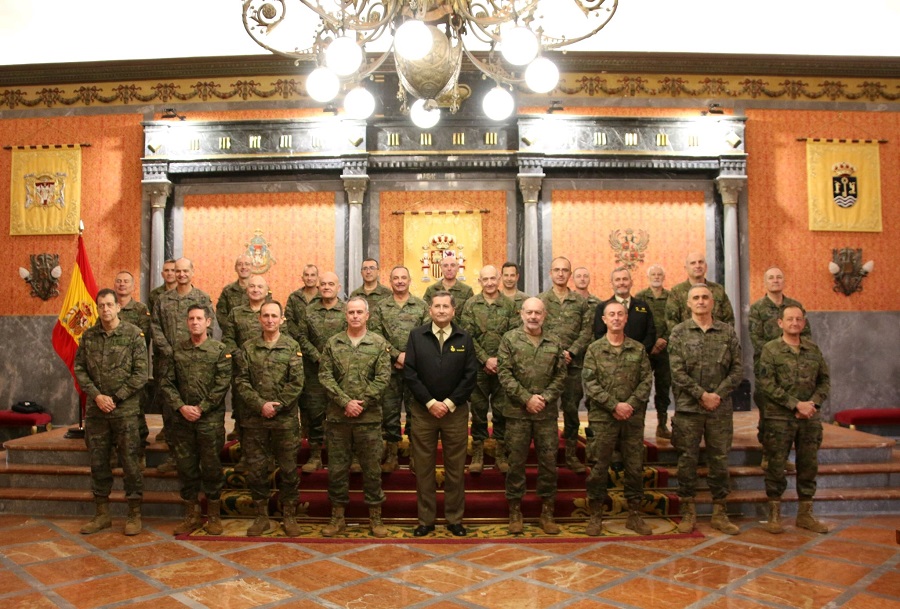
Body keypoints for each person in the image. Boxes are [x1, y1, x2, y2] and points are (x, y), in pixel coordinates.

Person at [668, 284, 743, 535]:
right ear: (688, 303)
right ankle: (688, 511)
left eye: (705, 297)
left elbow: (737, 370)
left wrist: (716, 395)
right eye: (696, 298)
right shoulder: (678, 333)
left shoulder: (727, 332)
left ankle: (720, 512)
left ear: (713, 302)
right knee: (687, 459)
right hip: (689, 409)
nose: (701, 301)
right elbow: (676, 372)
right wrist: (701, 395)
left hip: (719, 409)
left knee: (719, 460)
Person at [74, 289, 149, 536]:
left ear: (118, 307)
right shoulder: (89, 336)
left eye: (109, 305)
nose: (105, 310)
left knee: (130, 462)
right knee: (98, 462)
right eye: (101, 306)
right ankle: (102, 514)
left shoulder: (133, 335)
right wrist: (97, 396)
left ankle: (134, 514)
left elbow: (140, 374)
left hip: (124, 411)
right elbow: (80, 369)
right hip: (97, 411)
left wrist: (115, 398)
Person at [404, 292, 478, 537]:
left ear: (454, 311)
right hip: (423, 412)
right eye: (437, 306)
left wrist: (448, 403)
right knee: (423, 468)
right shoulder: (416, 336)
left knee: (455, 468)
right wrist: (429, 402)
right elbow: (410, 373)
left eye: (446, 306)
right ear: (430, 310)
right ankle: (426, 520)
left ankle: (455, 519)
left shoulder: (465, 338)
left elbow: (470, 376)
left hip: (454, 413)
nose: (442, 310)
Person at [318, 296, 392, 537]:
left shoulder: (379, 343)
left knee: (372, 469)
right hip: (338, 419)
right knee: (337, 469)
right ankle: (337, 517)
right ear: (345, 315)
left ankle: (375, 518)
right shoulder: (333, 343)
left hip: (368, 419)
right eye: (351, 312)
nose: (355, 316)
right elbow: (325, 376)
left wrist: (362, 403)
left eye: (360, 312)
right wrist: (345, 402)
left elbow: (383, 378)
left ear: (367, 315)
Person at [582, 301, 654, 536]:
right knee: (598, 467)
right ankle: (595, 516)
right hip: (603, 418)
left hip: (632, 418)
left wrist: (629, 405)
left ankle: (634, 515)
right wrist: (614, 405)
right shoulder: (594, 349)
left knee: (635, 466)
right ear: (604, 319)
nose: (615, 318)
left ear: (626, 319)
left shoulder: (638, 349)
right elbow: (590, 383)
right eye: (611, 314)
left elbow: (646, 380)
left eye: (620, 314)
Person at [757, 306, 830, 535]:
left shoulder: (813, 349)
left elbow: (824, 381)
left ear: (804, 323)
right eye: (790, 319)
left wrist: (812, 404)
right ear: (781, 323)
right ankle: (774, 514)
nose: (795, 323)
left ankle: (805, 514)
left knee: (808, 465)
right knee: (776, 466)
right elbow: (766, 384)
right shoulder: (770, 350)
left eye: (799, 319)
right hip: (779, 418)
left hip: (809, 418)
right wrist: (795, 404)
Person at [234, 301, 305, 536]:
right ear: (259, 319)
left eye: (275, 316)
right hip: (255, 420)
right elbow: (241, 381)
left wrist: (278, 405)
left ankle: (289, 515)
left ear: (282, 319)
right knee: (257, 469)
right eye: (266, 315)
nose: (270, 320)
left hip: (284, 422)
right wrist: (260, 405)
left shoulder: (291, 346)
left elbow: (296, 382)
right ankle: (261, 516)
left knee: (288, 470)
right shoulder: (248, 348)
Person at [497, 297, 567, 535]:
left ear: (544, 315)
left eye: (538, 313)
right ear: (521, 313)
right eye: (529, 312)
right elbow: (504, 374)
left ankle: (547, 513)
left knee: (548, 464)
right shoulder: (509, 339)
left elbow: (560, 376)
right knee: (515, 463)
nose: (533, 317)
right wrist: (527, 398)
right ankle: (515, 511)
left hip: (545, 415)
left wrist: (544, 398)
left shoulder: (555, 341)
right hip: (517, 413)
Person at [161, 304, 231, 536]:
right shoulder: (176, 350)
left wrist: (201, 408)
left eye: (199, 318)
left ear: (208, 322)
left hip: (208, 421)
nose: (195, 322)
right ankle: (191, 516)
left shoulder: (219, 351)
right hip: (182, 421)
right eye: (191, 319)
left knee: (211, 467)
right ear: (186, 322)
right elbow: (167, 383)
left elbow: (222, 384)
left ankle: (213, 515)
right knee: (186, 468)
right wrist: (181, 407)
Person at [150, 257, 214, 473]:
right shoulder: (162, 299)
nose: (181, 274)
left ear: (192, 272)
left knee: (196, 409)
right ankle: (173, 456)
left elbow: (210, 329)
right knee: (171, 411)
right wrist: (169, 350)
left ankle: (195, 458)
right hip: (168, 363)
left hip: (196, 364)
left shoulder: (202, 298)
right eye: (177, 271)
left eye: (185, 270)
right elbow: (155, 327)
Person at [749, 266, 811, 470]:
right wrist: (778, 355)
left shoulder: (795, 306)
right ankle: (768, 454)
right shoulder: (757, 308)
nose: (775, 280)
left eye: (779, 277)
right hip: (768, 369)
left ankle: (784, 456)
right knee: (769, 413)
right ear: (765, 283)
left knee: (789, 412)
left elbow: (806, 335)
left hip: (794, 370)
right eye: (771, 278)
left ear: (784, 281)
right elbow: (756, 339)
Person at [369, 265, 429, 472]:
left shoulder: (421, 306)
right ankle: (392, 453)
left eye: (404, 277)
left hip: (416, 369)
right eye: (396, 278)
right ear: (390, 281)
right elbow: (377, 337)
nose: (400, 281)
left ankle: (415, 454)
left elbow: (427, 336)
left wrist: (408, 358)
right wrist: (396, 355)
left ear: (410, 280)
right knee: (389, 411)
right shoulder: (380, 307)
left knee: (416, 411)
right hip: (389, 369)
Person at [460, 265, 519, 473]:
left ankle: (501, 452)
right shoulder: (470, 305)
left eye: (493, 278)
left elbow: (513, 336)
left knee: (502, 410)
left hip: (503, 368)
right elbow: (468, 337)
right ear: (480, 281)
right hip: (478, 367)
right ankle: (478, 452)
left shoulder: (510, 306)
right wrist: (486, 360)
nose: (490, 283)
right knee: (478, 410)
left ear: (499, 278)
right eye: (485, 279)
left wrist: (498, 361)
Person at [538, 256, 593, 473]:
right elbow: (535, 328)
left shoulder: (581, 302)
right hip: (546, 366)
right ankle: (548, 454)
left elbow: (586, 331)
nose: (560, 273)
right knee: (548, 410)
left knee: (571, 409)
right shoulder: (541, 300)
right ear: (550, 273)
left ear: (569, 274)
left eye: (564, 270)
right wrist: (556, 353)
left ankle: (571, 454)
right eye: (556, 270)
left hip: (574, 365)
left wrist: (571, 352)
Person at [297, 271, 346, 473]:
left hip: (342, 370)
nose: (326, 287)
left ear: (338, 287)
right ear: (318, 287)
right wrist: (317, 356)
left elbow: (352, 333)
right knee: (315, 412)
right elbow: (301, 336)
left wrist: (334, 359)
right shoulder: (309, 311)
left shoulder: (346, 310)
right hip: (314, 370)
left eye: (330, 284)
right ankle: (316, 454)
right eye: (323, 284)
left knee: (341, 412)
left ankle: (344, 455)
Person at [221, 274, 268, 468]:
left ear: (266, 290)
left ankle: (269, 456)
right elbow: (228, 339)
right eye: (252, 286)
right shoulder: (236, 313)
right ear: (246, 290)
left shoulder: (272, 311)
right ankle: (245, 456)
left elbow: (285, 338)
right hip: (243, 370)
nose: (255, 289)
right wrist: (240, 357)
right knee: (243, 415)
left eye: (260, 287)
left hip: (270, 371)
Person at [113, 270, 151, 450]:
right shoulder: (110, 308)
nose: (122, 284)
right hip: (112, 365)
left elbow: (144, 337)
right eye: (119, 281)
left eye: (126, 281)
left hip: (134, 363)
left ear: (133, 286)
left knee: (137, 404)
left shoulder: (141, 310)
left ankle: (140, 441)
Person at [635, 264, 674, 439]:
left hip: (666, 349)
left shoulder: (671, 297)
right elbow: (637, 322)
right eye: (653, 274)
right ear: (648, 276)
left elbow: (675, 320)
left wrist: (663, 339)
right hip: (646, 349)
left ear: (663, 277)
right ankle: (638, 424)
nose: (656, 277)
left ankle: (662, 423)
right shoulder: (640, 298)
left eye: (659, 274)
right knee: (641, 386)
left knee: (664, 387)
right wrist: (650, 343)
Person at [666, 252, 735, 335]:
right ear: (686, 268)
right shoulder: (677, 292)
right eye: (693, 263)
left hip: (716, 342)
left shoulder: (718, 290)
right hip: (687, 342)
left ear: (705, 267)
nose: (697, 266)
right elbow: (671, 320)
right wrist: (684, 339)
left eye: (700, 262)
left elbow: (729, 319)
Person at [284, 264, 321, 344]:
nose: (309, 278)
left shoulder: (324, 297)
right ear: (302, 278)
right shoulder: (294, 297)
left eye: (312, 275)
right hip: (298, 342)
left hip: (320, 344)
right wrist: (300, 338)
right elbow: (289, 321)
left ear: (318, 278)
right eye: (306, 275)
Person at [216, 254, 253, 330]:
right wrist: (231, 331)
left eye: (247, 264)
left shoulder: (260, 289)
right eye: (240, 264)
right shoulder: (227, 290)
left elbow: (267, 313)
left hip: (255, 335)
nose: (243, 267)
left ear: (252, 267)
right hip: (232, 336)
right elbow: (221, 315)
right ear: (235, 268)